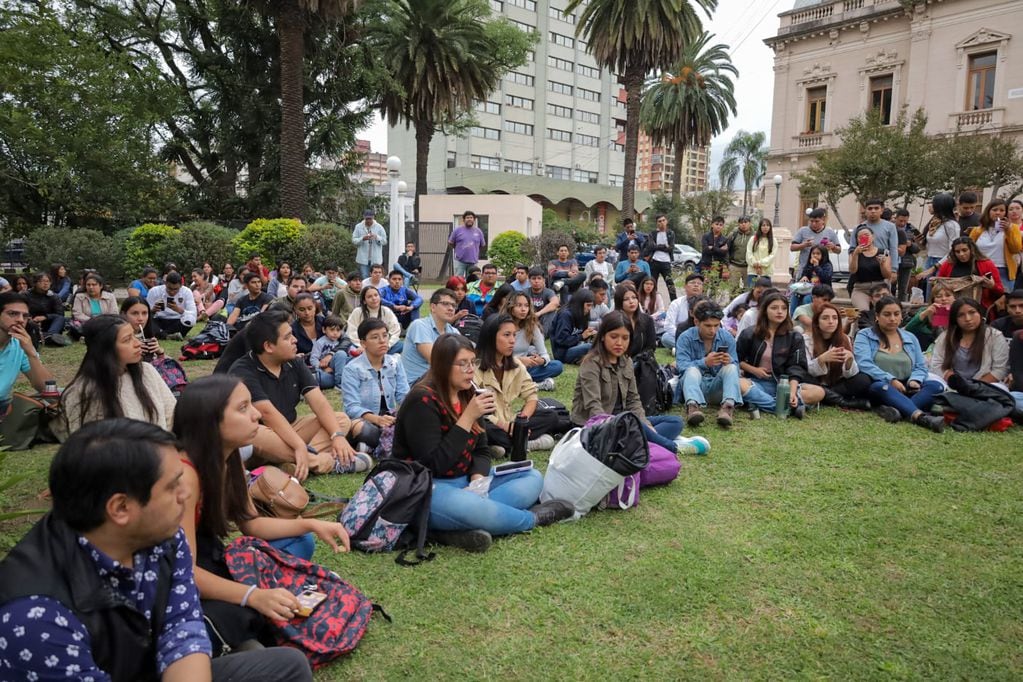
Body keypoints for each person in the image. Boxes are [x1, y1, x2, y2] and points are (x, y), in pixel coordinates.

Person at [0, 418, 314, 682]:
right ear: (121, 507)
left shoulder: (162, 536)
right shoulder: (36, 617)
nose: (185, 494)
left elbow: (182, 625)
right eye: (172, 485)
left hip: (147, 668)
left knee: (287, 666)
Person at [173, 375, 349, 648]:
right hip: (181, 575)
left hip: (211, 559)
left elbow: (251, 524)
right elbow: (184, 572)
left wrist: (311, 525)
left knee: (299, 541)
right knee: (247, 614)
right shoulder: (184, 476)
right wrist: (252, 595)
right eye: (243, 408)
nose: (256, 415)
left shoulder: (229, 457)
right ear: (210, 420)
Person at [392, 333, 573, 553]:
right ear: (442, 365)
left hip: (466, 483)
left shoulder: (469, 392)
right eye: (463, 363)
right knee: (468, 507)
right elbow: (434, 465)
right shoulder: (422, 400)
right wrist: (468, 417)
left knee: (531, 477)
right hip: (428, 488)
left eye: (473, 362)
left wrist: (478, 481)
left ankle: (458, 528)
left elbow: (482, 450)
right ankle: (532, 518)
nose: (471, 369)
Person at [229, 311, 368, 479]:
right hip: (257, 441)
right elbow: (267, 414)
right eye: (288, 337)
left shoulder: (293, 361)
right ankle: (323, 462)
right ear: (268, 346)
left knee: (340, 420)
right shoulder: (243, 370)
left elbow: (319, 402)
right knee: (256, 431)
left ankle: (291, 465)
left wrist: (337, 436)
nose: (295, 340)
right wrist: (299, 446)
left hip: (290, 429)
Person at [571, 312, 687, 454]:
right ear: (602, 337)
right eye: (614, 337)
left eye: (625, 338)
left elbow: (633, 400)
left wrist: (646, 424)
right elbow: (593, 406)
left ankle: (641, 439)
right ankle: (672, 446)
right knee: (634, 424)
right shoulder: (591, 363)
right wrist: (623, 424)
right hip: (597, 426)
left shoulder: (627, 362)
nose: (619, 343)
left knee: (675, 422)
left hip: (624, 422)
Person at [59, 315, 177, 436]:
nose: (137, 343)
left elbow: (172, 416)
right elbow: (89, 445)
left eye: (135, 336)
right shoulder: (83, 391)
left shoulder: (147, 371)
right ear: (106, 348)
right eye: (127, 340)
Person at [853, 296, 946, 431]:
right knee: (880, 387)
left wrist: (915, 380)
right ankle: (920, 417)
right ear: (877, 316)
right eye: (887, 314)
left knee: (936, 386)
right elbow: (864, 363)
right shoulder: (865, 335)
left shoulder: (910, 337)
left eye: (896, 314)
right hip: (881, 386)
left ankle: (896, 410)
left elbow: (920, 365)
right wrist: (891, 380)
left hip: (908, 387)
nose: (892, 319)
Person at [475, 314, 563, 454]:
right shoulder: (475, 368)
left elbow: (531, 395)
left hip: (511, 421)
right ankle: (528, 443)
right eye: (507, 335)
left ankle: (504, 446)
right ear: (491, 337)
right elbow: (479, 412)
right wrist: (505, 426)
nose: (512, 341)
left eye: (514, 335)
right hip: (489, 422)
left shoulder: (516, 365)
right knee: (482, 428)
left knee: (551, 416)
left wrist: (521, 423)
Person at [736, 291, 825, 418]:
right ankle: (782, 407)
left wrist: (792, 392)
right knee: (739, 384)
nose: (780, 312)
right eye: (774, 308)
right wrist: (754, 370)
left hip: (784, 384)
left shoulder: (794, 337)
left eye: (784, 308)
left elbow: (796, 367)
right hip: (757, 383)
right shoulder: (750, 333)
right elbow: (737, 359)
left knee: (819, 392)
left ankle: (762, 402)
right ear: (765, 310)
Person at [675, 302, 754, 428]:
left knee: (732, 367)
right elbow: (681, 366)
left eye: (716, 325)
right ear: (696, 322)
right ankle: (693, 408)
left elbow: (736, 367)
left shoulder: (726, 337)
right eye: (707, 326)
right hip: (693, 387)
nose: (712, 330)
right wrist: (704, 362)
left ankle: (727, 408)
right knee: (691, 370)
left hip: (718, 388)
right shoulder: (685, 337)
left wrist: (728, 361)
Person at [341, 318, 410, 449]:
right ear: (363, 343)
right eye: (375, 337)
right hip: (365, 419)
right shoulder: (352, 369)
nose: (382, 340)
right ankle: (386, 442)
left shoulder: (395, 362)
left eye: (385, 335)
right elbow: (351, 407)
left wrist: (403, 415)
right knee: (361, 428)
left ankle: (371, 445)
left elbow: (403, 394)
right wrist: (377, 419)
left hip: (389, 416)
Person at [0, 292, 54, 436]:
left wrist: (31, 353)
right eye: (12, 314)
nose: (20, 320)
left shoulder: (19, 345)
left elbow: (46, 389)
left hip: (3, 405)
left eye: (25, 316)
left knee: (58, 399)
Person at [803, 303, 872, 410]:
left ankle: (826, 397)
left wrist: (849, 360)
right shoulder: (806, 340)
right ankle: (843, 402)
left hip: (836, 384)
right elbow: (805, 369)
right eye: (825, 318)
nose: (831, 322)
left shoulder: (845, 339)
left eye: (835, 318)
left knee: (863, 379)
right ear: (817, 322)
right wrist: (821, 359)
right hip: (814, 383)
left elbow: (851, 375)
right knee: (802, 377)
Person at [931, 297, 1008, 385]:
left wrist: (974, 388)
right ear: (955, 319)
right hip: (952, 385)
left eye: (972, 312)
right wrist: (956, 382)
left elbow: (1000, 369)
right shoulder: (946, 336)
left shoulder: (994, 336)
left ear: (980, 313)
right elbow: (936, 364)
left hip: (985, 387)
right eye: (961, 315)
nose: (967, 319)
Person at [506, 290, 563, 389]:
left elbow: (544, 353)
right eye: (519, 305)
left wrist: (542, 360)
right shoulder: (502, 326)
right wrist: (519, 360)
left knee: (557, 366)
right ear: (511, 307)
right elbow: (495, 358)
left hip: (525, 368)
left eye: (526, 306)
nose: (523, 309)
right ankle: (535, 385)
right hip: (506, 366)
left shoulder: (531, 326)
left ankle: (521, 383)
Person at [402, 288, 460, 384]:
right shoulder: (419, 325)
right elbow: (436, 360)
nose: (451, 308)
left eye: (454, 305)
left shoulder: (454, 332)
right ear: (433, 307)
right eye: (445, 304)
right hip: (417, 384)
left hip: (440, 381)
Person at [935, 236, 1004, 311]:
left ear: (972, 249)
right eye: (957, 252)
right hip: (951, 308)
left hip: (979, 306)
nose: (961, 254)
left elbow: (1000, 291)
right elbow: (938, 287)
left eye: (964, 250)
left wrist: (992, 286)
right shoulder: (948, 265)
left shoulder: (986, 264)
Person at [969, 198, 1020, 293]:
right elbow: (969, 248)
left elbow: (1016, 249)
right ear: (988, 211)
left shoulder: (1013, 228)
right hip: (981, 269)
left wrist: (1008, 230)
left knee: (1002, 301)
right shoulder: (977, 230)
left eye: (1002, 210)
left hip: (1003, 270)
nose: (998, 213)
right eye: (995, 210)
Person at [918, 193, 961, 297]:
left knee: (940, 294)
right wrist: (919, 243)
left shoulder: (951, 225)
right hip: (930, 260)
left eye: (933, 204)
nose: (930, 206)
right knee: (929, 295)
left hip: (944, 262)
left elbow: (953, 250)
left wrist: (935, 267)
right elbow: (929, 246)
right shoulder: (934, 223)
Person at [346, 285, 403, 354]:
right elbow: (352, 331)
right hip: (364, 346)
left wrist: (388, 345)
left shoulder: (386, 311)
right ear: (364, 301)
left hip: (383, 345)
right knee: (351, 348)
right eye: (369, 297)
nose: (374, 298)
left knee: (400, 345)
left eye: (376, 295)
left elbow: (395, 331)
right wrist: (362, 346)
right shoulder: (357, 312)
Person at [145, 270, 198, 341]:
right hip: (159, 320)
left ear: (181, 286)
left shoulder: (187, 292)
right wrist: (153, 310)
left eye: (176, 289)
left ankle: (162, 335)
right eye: (169, 288)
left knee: (191, 320)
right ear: (165, 283)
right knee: (146, 319)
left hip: (177, 322)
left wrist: (179, 310)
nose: (172, 292)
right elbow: (145, 312)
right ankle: (167, 335)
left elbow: (193, 313)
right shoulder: (154, 291)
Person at [849, 225, 893, 310]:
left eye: (866, 235)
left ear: (873, 237)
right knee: (863, 311)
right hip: (861, 289)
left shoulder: (883, 252)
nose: (864, 238)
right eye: (860, 237)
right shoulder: (854, 253)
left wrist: (882, 264)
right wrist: (856, 254)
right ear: (857, 240)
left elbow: (887, 275)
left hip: (880, 288)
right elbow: (852, 271)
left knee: (885, 309)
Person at [904, 281, 956, 350]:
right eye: (939, 296)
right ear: (933, 300)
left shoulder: (958, 312)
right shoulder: (925, 311)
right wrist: (925, 313)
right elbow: (908, 328)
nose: (944, 299)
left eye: (948, 295)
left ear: (954, 298)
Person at [661, 272, 707, 349]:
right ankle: (693, 348)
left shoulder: (708, 303)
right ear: (685, 286)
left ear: (702, 288)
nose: (696, 285)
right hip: (682, 335)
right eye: (692, 283)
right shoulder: (676, 303)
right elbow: (668, 326)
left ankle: (683, 349)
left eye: (699, 283)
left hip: (703, 336)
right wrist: (685, 336)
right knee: (666, 337)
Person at [790, 209, 842, 276]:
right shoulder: (802, 231)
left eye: (817, 221)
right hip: (804, 270)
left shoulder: (830, 232)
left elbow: (839, 250)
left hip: (822, 271)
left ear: (823, 220)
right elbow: (792, 248)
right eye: (811, 221)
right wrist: (804, 245)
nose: (814, 224)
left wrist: (833, 247)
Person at [551, 288, 596, 364]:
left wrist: (590, 334)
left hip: (575, 346)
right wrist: (581, 336)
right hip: (562, 353)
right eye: (588, 305)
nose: (589, 309)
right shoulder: (565, 315)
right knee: (590, 346)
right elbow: (561, 340)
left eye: (591, 306)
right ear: (580, 304)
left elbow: (581, 334)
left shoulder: (583, 313)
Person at [857, 198, 900, 275]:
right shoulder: (859, 228)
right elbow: (852, 249)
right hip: (863, 267)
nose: (873, 211)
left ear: (881, 210)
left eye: (876, 208)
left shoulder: (890, 227)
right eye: (870, 208)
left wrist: (893, 269)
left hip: (883, 266)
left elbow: (893, 249)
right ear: (865, 211)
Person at [69, 271, 118, 339]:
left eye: (94, 285)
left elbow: (114, 314)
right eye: (88, 285)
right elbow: (77, 314)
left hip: (105, 323)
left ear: (100, 286)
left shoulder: (110, 297)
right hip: (87, 323)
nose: (91, 287)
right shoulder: (79, 296)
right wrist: (93, 321)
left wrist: (101, 322)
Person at [308, 314, 351, 391]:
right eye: (332, 330)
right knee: (341, 354)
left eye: (338, 330)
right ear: (324, 330)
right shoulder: (320, 342)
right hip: (326, 370)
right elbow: (313, 358)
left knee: (348, 356)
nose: (335, 333)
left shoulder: (340, 342)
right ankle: (339, 384)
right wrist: (322, 368)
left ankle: (343, 380)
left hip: (339, 368)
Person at [26, 271, 70, 346]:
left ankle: (47, 336)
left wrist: (45, 317)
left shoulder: (54, 296)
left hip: (50, 324)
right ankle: (49, 338)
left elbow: (59, 314)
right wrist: (32, 319)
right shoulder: (26, 295)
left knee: (61, 318)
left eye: (48, 281)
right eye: (42, 281)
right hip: (33, 322)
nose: (46, 283)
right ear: (35, 283)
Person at [614, 283, 657, 357]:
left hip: (641, 362)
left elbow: (651, 347)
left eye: (634, 298)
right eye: (626, 299)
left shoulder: (647, 320)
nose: (631, 301)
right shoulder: (613, 321)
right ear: (619, 302)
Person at [641, 214, 677, 300]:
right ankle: (652, 302)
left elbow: (671, 248)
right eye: (659, 221)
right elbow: (651, 246)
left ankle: (674, 302)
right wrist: (664, 246)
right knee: (652, 283)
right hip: (654, 261)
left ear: (666, 221)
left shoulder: (670, 233)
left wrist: (658, 246)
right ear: (657, 223)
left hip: (666, 262)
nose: (662, 223)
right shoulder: (653, 234)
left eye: (663, 220)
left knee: (670, 283)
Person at [894, 208, 921, 302]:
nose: (902, 223)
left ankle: (902, 310)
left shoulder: (912, 230)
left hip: (906, 262)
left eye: (905, 221)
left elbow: (918, 248)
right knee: (891, 286)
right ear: (895, 218)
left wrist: (910, 245)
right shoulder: (890, 228)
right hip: (892, 261)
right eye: (900, 220)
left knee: (903, 288)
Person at [449, 210, 486, 277]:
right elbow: (451, 242)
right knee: (458, 280)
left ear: (474, 220)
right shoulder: (457, 230)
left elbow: (482, 245)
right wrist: (458, 249)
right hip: (459, 260)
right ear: (464, 219)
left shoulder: (478, 231)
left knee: (471, 281)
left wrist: (474, 250)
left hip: (473, 262)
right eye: (467, 217)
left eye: (471, 218)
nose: (469, 219)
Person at [353, 209, 388, 278]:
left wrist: (377, 237)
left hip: (375, 259)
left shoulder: (379, 227)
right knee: (364, 276)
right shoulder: (358, 227)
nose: (368, 220)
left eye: (370, 218)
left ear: (373, 217)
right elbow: (354, 240)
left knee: (375, 277)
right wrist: (363, 238)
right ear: (364, 217)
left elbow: (384, 241)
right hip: (363, 258)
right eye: (367, 218)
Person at [526, 266, 560, 333]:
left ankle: (543, 335)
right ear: (529, 281)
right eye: (533, 279)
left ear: (543, 280)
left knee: (551, 312)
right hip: (529, 318)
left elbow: (555, 303)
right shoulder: (525, 292)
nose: (536, 281)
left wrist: (539, 313)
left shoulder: (548, 292)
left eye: (539, 278)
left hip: (543, 319)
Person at [291, 293, 324, 358]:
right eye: (302, 310)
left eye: (310, 308)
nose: (307, 313)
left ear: (315, 307)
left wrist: (331, 353)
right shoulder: (292, 330)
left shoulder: (325, 322)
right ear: (295, 310)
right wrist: (294, 356)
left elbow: (345, 340)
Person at [746, 218, 777, 286]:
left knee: (765, 293)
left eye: (767, 225)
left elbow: (772, 255)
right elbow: (749, 253)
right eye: (763, 225)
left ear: (770, 227)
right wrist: (755, 265)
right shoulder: (753, 239)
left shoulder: (773, 240)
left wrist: (760, 263)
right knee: (752, 292)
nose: (765, 227)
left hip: (766, 272)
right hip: (753, 271)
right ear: (760, 227)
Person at [727, 216, 754, 287]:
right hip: (734, 266)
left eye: (745, 222)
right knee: (733, 289)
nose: (743, 224)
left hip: (748, 267)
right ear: (738, 224)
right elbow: (726, 249)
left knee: (748, 289)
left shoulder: (754, 236)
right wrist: (728, 264)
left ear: (750, 223)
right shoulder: (733, 235)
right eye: (741, 222)